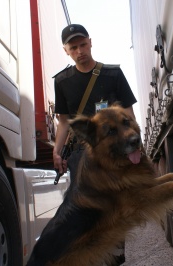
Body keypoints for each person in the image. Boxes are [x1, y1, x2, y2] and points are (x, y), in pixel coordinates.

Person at [53, 24, 137, 181]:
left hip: (114, 149)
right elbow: (64, 122)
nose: (80, 51)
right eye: (73, 48)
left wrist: (136, 145)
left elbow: (129, 115)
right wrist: (56, 152)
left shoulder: (114, 74)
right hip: (81, 155)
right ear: (66, 50)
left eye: (83, 44)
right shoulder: (61, 81)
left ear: (90, 42)